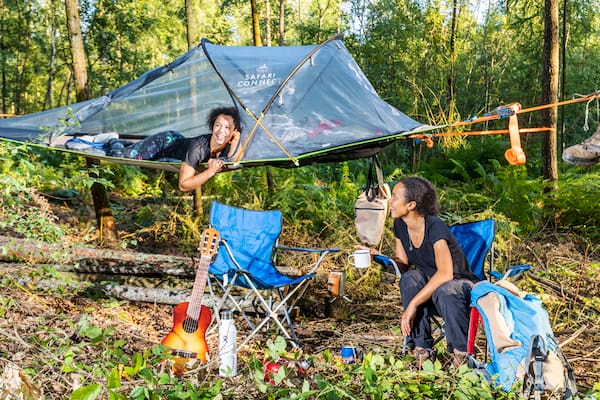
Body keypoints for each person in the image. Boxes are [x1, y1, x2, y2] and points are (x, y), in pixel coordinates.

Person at [367, 176, 479, 369]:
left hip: (460, 287)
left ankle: (462, 355)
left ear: (411, 204)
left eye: (394, 197)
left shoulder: (435, 226)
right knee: (409, 279)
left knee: (446, 290)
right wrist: (378, 258)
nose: (390, 202)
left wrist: (412, 304)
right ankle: (422, 350)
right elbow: (402, 263)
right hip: (433, 288)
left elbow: (445, 274)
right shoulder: (400, 225)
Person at [107, 106, 242, 192]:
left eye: (227, 127)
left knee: (137, 149)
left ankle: (130, 143)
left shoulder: (231, 144)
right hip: (163, 144)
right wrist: (209, 172)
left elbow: (234, 160)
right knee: (120, 155)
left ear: (234, 131)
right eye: (217, 125)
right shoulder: (198, 148)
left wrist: (236, 138)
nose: (221, 131)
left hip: (178, 143)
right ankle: (113, 140)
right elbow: (183, 185)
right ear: (212, 126)